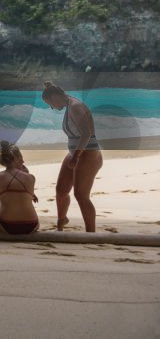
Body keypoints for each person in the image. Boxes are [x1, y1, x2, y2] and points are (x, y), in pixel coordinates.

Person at [42, 81, 103, 232]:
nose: (51, 107)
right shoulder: (68, 102)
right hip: (76, 152)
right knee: (61, 190)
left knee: (81, 195)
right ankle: (61, 222)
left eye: (50, 103)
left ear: (55, 97)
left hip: (87, 153)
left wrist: (76, 157)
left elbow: (86, 133)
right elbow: (58, 92)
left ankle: (91, 232)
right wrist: (50, 86)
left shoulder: (75, 107)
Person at [0, 141, 39, 234]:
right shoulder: (30, 177)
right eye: (21, 157)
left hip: (7, 226)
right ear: (16, 158)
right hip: (31, 225)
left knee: (2, 198)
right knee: (25, 197)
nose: (23, 161)